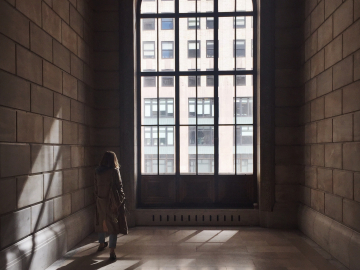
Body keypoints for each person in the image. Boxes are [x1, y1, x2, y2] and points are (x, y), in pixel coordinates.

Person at [94, 151, 128, 260]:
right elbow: (119, 186)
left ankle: (101, 244)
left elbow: (95, 187)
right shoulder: (114, 171)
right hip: (112, 201)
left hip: (100, 200)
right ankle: (112, 251)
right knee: (113, 225)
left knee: (101, 221)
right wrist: (122, 198)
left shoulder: (97, 172)